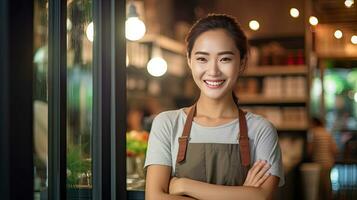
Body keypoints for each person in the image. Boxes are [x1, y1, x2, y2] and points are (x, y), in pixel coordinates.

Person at [144, 14, 284, 200]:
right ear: (189, 61)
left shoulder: (261, 130)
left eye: (224, 59)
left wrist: (184, 184)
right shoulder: (167, 124)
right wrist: (242, 195)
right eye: (202, 59)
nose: (213, 71)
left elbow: (262, 197)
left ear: (242, 62)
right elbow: (155, 197)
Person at [308, 117, 338, 200]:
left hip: (319, 162)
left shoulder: (314, 132)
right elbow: (334, 149)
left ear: (314, 123)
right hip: (329, 162)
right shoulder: (327, 132)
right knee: (327, 184)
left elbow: (310, 149)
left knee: (319, 186)